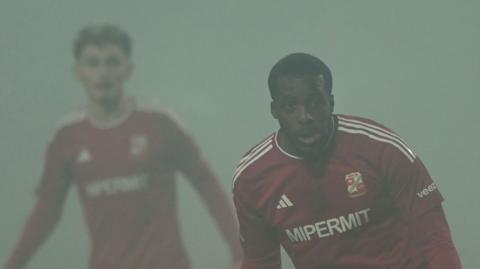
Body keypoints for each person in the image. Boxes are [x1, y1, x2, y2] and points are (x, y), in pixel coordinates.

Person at [3, 24, 242, 269]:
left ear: (127, 70)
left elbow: (207, 184)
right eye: (93, 63)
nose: (103, 73)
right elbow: (46, 211)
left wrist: (240, 251)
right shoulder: (67, 136)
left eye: (112, 62)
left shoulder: (160, 123)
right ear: (79, 71)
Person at [232, 52, 461, 269]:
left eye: (315, 103)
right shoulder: (252, 179)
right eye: (291, 106)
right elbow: (260, 263)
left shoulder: (381, 149)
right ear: (275, 110)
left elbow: (435, 242)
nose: (305, 117)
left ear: (330, 103)